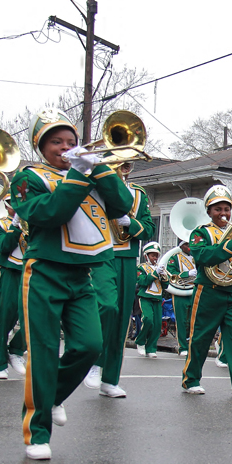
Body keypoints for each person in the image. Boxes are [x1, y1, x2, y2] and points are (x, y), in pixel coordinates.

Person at [11, 107, 133, 460]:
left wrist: (101, 168)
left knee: (90, 345)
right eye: (56, 142)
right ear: (41, 146)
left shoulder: (91, 172)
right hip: (44, 272)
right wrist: (79, 174)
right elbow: (51, 213)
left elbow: (123, 204)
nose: (65, 148)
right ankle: (36, 431)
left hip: (82, 275)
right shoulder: (28, 177)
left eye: (71, 142)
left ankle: (52, 398)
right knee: (45, 353)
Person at [181, 184, 232, 397]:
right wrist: (231, 246)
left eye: (226, 209)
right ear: (209, 211)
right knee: (200, 338)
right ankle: (191, 379)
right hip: (209, 291)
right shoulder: (200, 233)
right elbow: (202, 256)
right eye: (218, 209)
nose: (223, 213)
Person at [85, 160, 155, 397]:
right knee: (105, 307)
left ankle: (110, 379)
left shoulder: (138, 193)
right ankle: (94, 360)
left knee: (122, 319)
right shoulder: (92, 187)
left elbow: (148, 227)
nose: (125, 164)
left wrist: (131, 223)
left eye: (128, 161)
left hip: (126, 257)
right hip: (98, 252)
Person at [0, 196, 28, 379]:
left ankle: (17, 350)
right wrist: (15, 226)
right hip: (10, 272)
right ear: (6, 205)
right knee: (3, 318)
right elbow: (1, 247)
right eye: (12, 203)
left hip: (32, 271)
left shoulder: (34, 221)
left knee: (33, 316)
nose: (16, 205)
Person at [165, 240, 196, 356]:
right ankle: (182, 346)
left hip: (194, 290)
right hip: (180, 291)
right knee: (182, 320)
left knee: (193, 320)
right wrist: (186, 274)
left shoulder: (196, 256)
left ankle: (191, 344)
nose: (189, 247)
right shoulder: (175, 258)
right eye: (187, 244)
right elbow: (170, 274)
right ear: (181, 245)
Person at [135, 242, 165, 359]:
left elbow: (166, 286)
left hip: (157, 298)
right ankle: (140, 341)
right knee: (148, 319)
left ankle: (151, 348)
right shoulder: (141, 267)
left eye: (156, 255)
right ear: (146, 256)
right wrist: (154, 273)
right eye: (152, 255)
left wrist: (164, 276)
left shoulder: (160, 268)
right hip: (146, 297)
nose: (155, 258)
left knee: (157, 325)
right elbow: (142, 282)